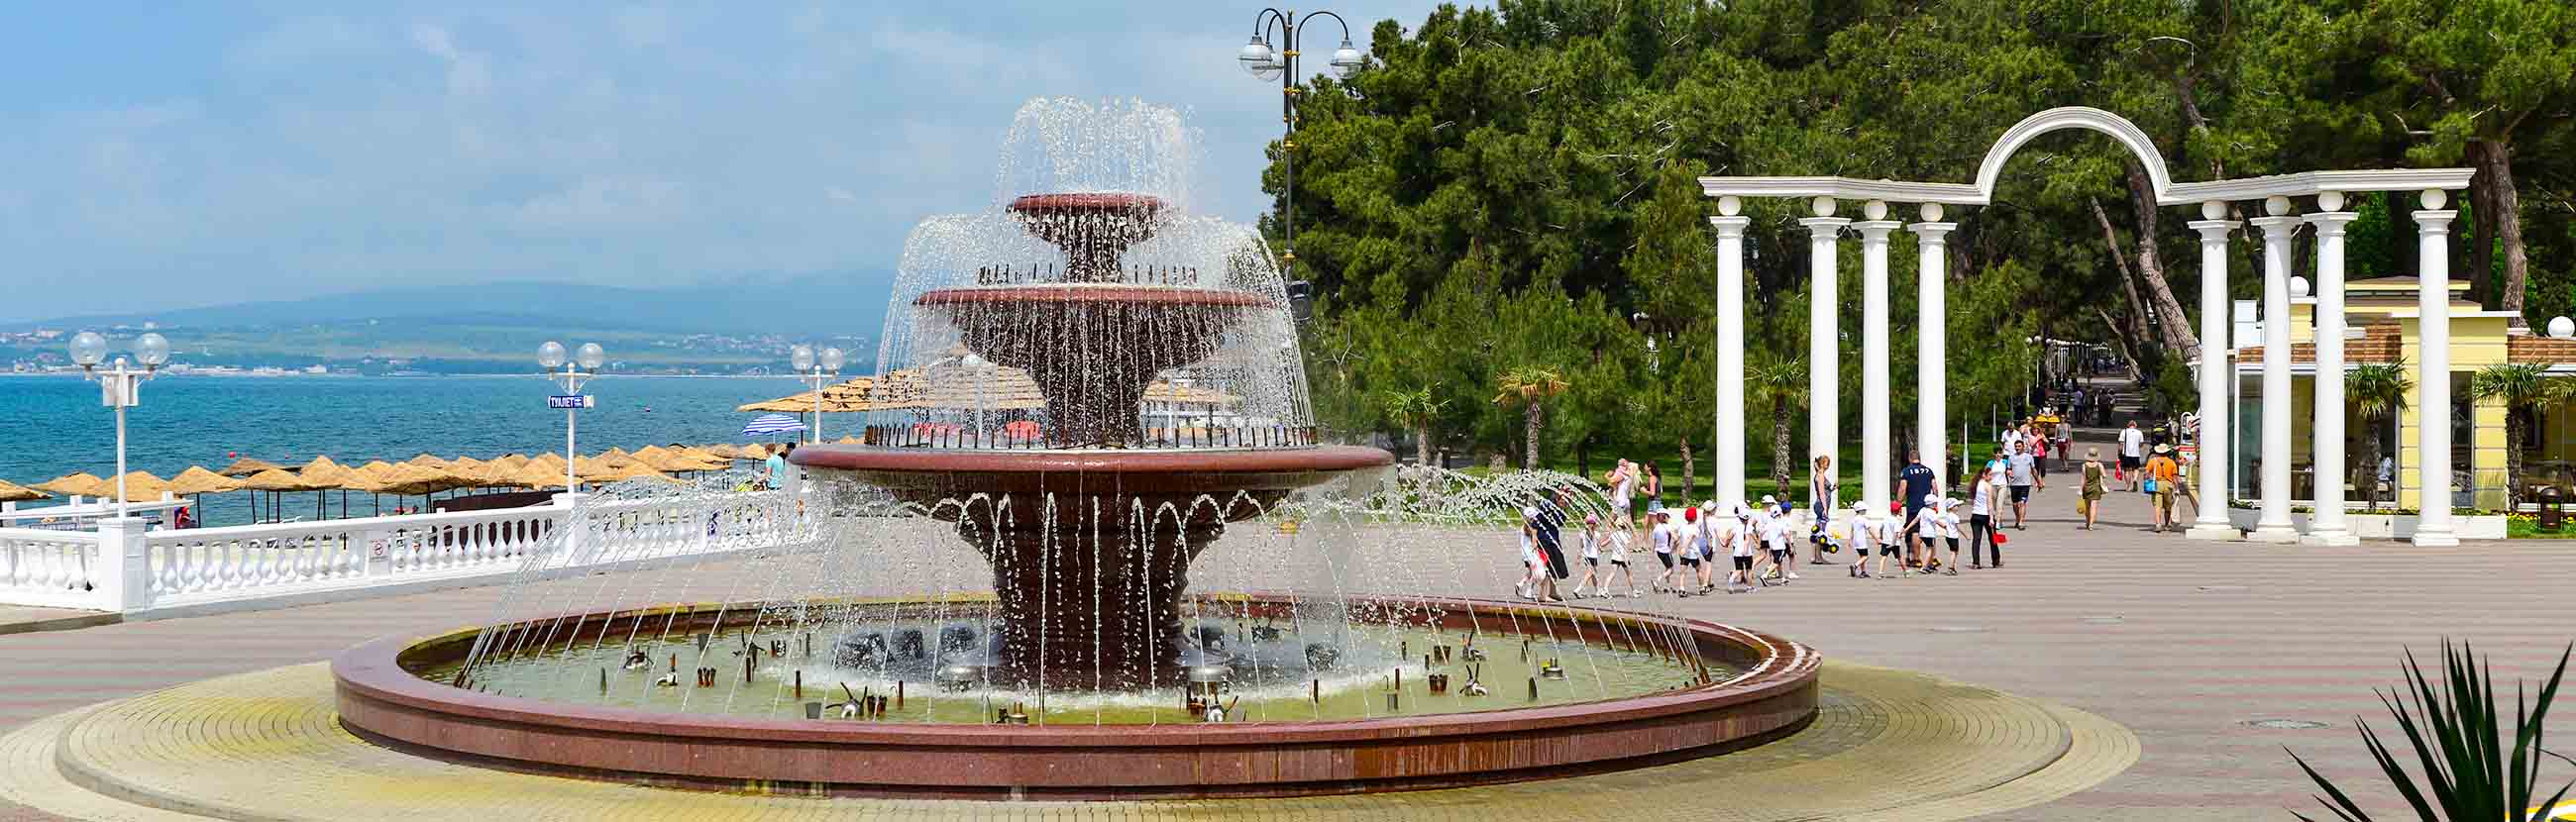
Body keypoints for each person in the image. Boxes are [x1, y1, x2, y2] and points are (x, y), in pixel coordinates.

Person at [1899, 452, 1939, 567]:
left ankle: (1916, 559)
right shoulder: (1928, 471)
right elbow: (1935, 488)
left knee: (1915, 531)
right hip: (1928, 505)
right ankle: (1933, 558)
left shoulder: (1907, 471)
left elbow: (1903, 488)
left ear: (1910, 458)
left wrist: (1899, 502)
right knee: (1930, 531)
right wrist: (1935, 502)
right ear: (1919, 458)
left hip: (1913, 506)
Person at [1807, 455, 1839, 565]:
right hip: (1821, 505)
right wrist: (1825, 508)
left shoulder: (1820, 475)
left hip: (1821, 505)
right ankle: (1818, 557)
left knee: (1817, 531)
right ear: (1822, 464)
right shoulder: (1820, 475)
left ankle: (1815, 557)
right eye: (1827, 463)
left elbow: (1826, 491)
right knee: (1821, 532)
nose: (1828, 465)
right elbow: (1821, 493)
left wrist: (1833, 488)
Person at [2144, 444, 2182, 533]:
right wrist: (2177, 488)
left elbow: (2146, 474)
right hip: (2168, 485)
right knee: (2168, 507)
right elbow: (2174, 477)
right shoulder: (2171, 462)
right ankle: (2167, 524)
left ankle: (2158, 524)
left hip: (2157, 485)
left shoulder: (2153, 461)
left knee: (2158, 506)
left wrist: (2147, 478)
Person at [1969, 465, 2000, 569]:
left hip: (1975, 515)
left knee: (1976, 539)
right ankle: (1996, 561)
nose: (1991, 477)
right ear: (1984, 475)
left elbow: (1974, 501)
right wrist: (1991, 518)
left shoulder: (1974, 485)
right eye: (1990, 475)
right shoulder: (1987, 486)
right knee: (1993, 538)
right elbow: (1989, 504)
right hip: (1986, 515)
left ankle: (1976, 562)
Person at [2006, 441, 2042, 529]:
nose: (2017, 448)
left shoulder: (2029, 457)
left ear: (2023, 447)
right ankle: (2017, 519)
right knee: (2015, 504)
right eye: (2016, 446)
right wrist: (2009, 472)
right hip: (2014, 484)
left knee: (2022, 503)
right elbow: (2008, 469)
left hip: (2025, 484)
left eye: (2019, 446)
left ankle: (2021, 522)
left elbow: (2034, 470)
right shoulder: (2011, 457)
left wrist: (2038, 482)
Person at [1724, 503, 1759, 593]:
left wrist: (1725, 543)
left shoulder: (1736, 527)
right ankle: (1749, 587)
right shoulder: (1749, 526)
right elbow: (1748, 539)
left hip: (1737, 552)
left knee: (1738, 569)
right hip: (1747, 553)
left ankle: (1731, 580)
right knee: (1749, 570)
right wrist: (1746, 548)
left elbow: (1729, 537)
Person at [1570, 514, 1606, 598]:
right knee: (1589, 574)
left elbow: (1581, 546)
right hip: (1593, 557)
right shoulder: (1596, 534)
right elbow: (1599, 545)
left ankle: (1598, 590)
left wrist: (1578, 558)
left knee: (1594, 574)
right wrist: (1606, 543)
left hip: (1586, 556)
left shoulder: (1582, 533)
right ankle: (1578, 590)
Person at [1649, 509, 1680, 593]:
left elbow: (1654, 542)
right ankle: (1657, 581)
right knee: (1671, 570)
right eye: (1668, 517)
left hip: (1659, 552)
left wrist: (1652, 553)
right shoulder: (1667, 527)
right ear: (1665, 517)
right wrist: (1675, 546)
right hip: (1666, 551)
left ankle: (1667, 586)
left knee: (1667, 567)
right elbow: (1676, 538)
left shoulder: (1656, 528)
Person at [2079, 448, 2108, 530]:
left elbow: (2083, 479)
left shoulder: (2084, 465)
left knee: (2087, 507)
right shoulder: (2099, 465)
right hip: (2096, 488)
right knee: (2094, 507)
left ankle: (2087, 521)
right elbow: (2104, 475)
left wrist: (2081, 489)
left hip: (2087, 488)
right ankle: (2091, 524)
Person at [2117, 420, 2146, 491]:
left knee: (2127, 470)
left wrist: (2119, 452)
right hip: (2136, 454)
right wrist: (2137, 445)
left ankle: (2128, 486)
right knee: (2136, 469)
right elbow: (2141, 444)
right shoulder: (2139, 432)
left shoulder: (2124, 432)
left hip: (2126, 454)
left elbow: (2121, 444)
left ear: (2128, 425)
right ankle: (2135, 479)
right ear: (2135, 425)